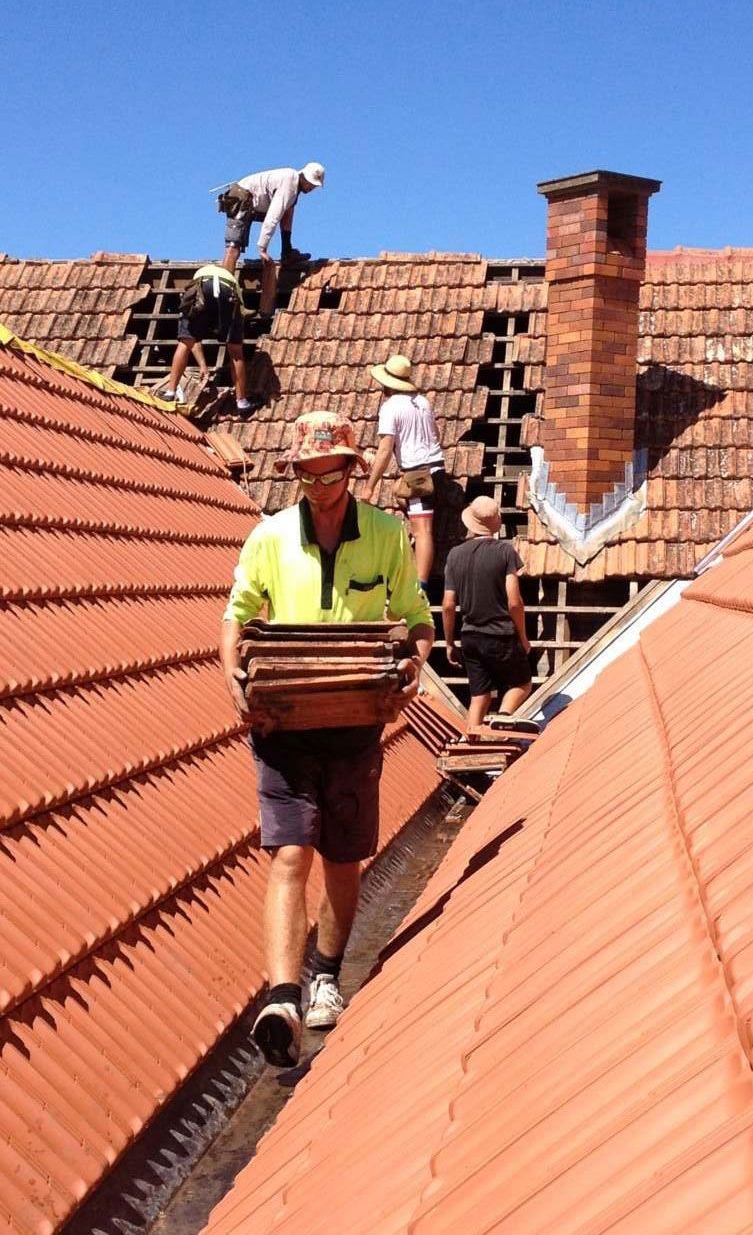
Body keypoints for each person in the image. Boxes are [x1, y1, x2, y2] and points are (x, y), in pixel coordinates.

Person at [222, 410, 434, 1068]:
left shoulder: (388, 537)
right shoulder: (268, 538)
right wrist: (234, 679)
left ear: (350, 470)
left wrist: (410, 671)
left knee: (343, 859)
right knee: (290, 854)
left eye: (328, 477)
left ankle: (325, 974)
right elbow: (235, 617)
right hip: (283, 720)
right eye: (307, 479)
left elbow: (416, 620)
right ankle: (282, 997)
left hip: (353, 723)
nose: (318, 490)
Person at [442, 495, 532, 732]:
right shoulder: (505, 552)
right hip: (500, 634)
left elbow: (449, 604)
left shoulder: (454, 555)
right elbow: (514, 602)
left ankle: (469, 739)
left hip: (470, 636)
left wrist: (450, 642)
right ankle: (503, 717)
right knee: (521, 684)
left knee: (479, 697)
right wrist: (522, 637)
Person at [360, 354, 446, 595]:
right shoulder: (423, 402)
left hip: (418, 474)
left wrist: (369, 486)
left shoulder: (390, 408)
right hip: (436, 467)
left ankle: (421, 585)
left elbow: (385, 449)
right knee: (399, 492)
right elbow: (436, 434)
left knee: (423, 532)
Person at [217, 162, 325, 323]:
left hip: (257, 203)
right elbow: (272, 218)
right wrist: (262, 247)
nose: (311, 188)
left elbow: (284, 213)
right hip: (241, 198)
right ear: (304, 177)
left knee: (290, 206)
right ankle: (224, 295)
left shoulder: (294, 187)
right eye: (311, 184)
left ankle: (287, 251)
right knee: (234, 248)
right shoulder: (289, 183)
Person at [159, 261, 260, 416]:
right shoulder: (235, 286)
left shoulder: (203, 272)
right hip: (227, 290)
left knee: (185, 342)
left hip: (200, 286)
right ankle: (242, 402)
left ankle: (170, 392)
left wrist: (203, 365)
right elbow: (241, 313)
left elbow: (194, 340)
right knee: (235, 350)